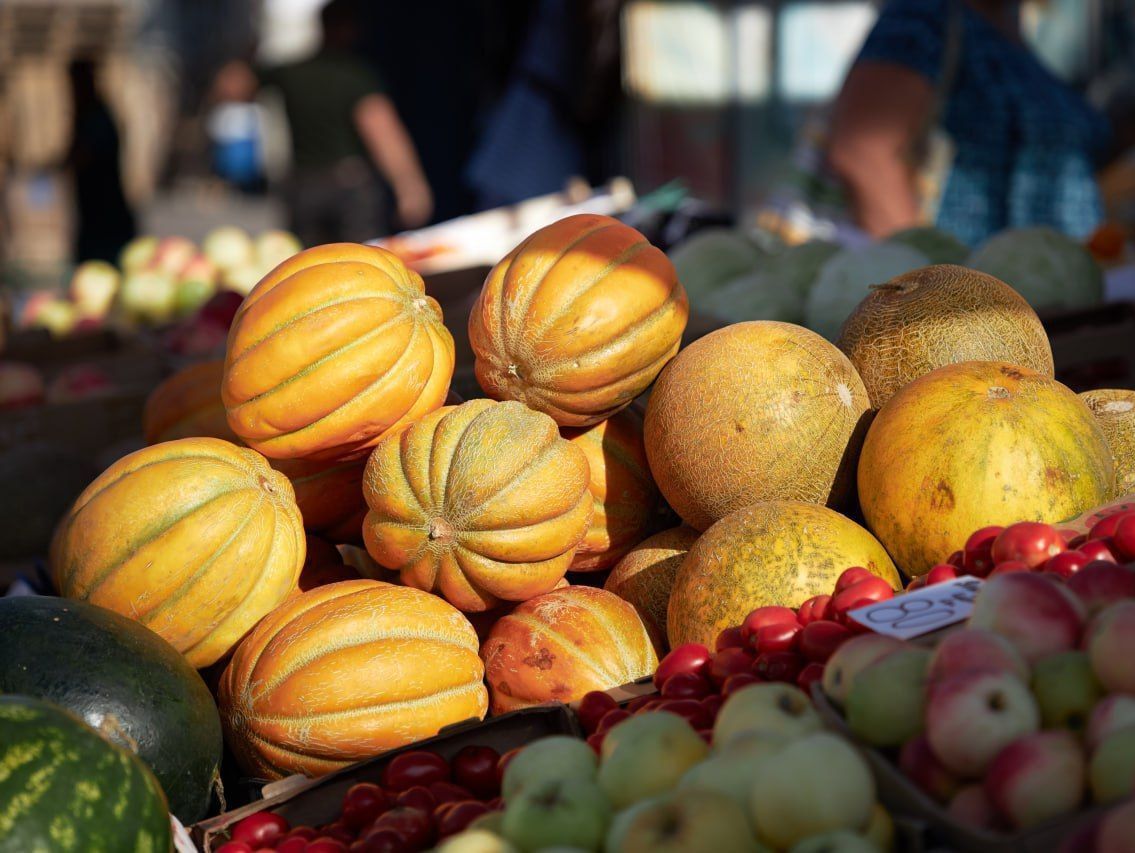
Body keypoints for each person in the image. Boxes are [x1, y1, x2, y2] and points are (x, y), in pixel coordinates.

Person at [825, 0, 1111, 246]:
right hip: (968, 296)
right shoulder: (923, 17)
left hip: (1042, 297)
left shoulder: (1013, 31)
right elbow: (863, 152)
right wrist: (929, 294)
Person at [213, 0, 432, 244]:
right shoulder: (355, 74)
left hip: (304, 187)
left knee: (307, 269)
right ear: (351, 28)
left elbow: (230, 89)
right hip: (350, 186)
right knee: (361, 265)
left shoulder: (294, 71)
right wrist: (410, 186)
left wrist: (249, 50)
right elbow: (381, 129)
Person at [66, 59, 137, 263]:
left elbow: (85, 155)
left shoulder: (97, 117)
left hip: (106, 215)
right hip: (93, 214)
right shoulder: (87, 115)